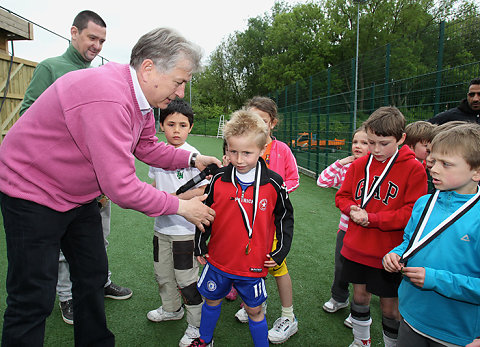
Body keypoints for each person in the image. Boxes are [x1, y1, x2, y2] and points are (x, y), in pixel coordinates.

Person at [0, 27, 221, 346]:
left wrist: (192, 161)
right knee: (33, 294)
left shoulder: (142, 100)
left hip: (77, 196)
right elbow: (121, 187)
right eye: (179, 80)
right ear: (149, 68)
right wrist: (182, 206)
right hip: (30, 191)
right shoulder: (109, 96)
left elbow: (146, 146)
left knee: (91, 276)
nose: (181, 92)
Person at [19, 9, 132, 326]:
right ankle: (67, 297)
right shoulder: (51, 68)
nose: (97, 45)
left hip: (97, 181)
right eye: (92, 37)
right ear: (74, 32)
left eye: (102, 41)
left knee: (98, 239)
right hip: (60, 183)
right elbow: (28, 118)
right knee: (63, 248)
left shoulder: (100, 74)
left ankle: (101, 281)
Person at [189, 110, 294, 347]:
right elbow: (204, 214)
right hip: (218, 259)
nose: (239, 159)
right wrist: (199, 245)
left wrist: (280, 253)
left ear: (262, 150)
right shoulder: (218, 179)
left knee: (255, 311)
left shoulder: (274, 183)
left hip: (253, 263)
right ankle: (205, 340)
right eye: (233, 151)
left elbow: (285, 219)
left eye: (247, 153)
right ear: (226, 149)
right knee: (211, 301)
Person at [335, 106, 427, 347]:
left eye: (384, 143)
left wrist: (373, 219)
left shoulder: (414, 168)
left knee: (389, 307)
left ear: (402, 138)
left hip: (389, 253)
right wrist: (351, 209)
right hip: (356, 246)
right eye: (371, 142)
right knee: (359, 296)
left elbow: (412, 213)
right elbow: (342, 196)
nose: (376, 150)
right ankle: (361, 341)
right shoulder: (358, 165)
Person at [383, 124, 480, 346]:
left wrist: (436, 280)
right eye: (433, 161)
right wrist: (395, 255)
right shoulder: (423, 203)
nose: (434, 169)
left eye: (446, 164)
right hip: (411, 317)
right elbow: (409, 243)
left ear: (477, 171)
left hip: (456, 332)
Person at [233, 96, 300, 344]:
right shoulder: (242, 148)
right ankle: (254, 303)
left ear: (273, 123)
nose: (257, 126)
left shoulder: (281, 150)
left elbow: (293, 179)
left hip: (271, 223)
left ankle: (288, 316)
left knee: (276, 266)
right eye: (252, 120)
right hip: (247, 222)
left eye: (262, 121)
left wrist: (275, 194)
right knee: (251, 263)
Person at [146, 99, 207, 347]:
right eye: (171, 124)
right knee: (163, 275)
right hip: (161, 229)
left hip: (185, 232)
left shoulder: (195, 157)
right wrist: (154, 200)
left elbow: (204, 189)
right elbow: (153, 185)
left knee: (186, 279)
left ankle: (196, 325)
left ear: (190, 127)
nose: (176, 130)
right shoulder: (156, 154)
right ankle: (172, 309)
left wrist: (172, 200)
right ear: (161, 125)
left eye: (182, 125)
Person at [317, 125, 369, 328]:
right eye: (356, 142)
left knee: (364, 271)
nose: (358, 146)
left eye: (364, 143)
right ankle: (339, 297)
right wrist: (342, 162)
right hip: (346, 228)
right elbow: (322, 181)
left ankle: (360, 307)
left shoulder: (377, 169)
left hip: (369, 230)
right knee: (341, 265)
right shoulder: (347, 167)